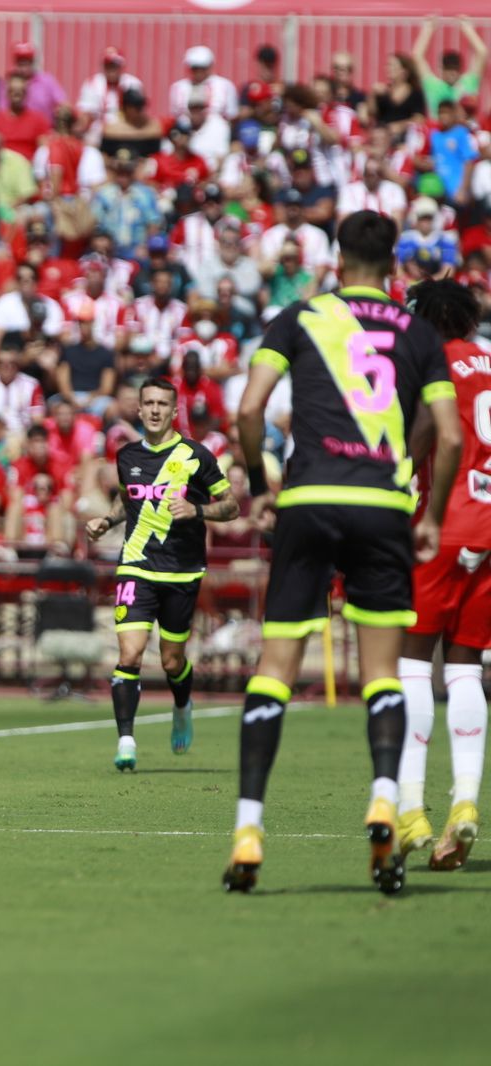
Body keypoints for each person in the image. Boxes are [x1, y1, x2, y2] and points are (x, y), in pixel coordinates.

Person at [224, 211, 463, 894]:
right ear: (394, 263)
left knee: (275, 669)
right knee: (382, 673)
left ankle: (248, 829)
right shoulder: (418, 333)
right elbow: (448, 436)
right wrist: (430, 516)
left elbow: (249, 410)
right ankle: (385, 800)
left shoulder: (300, 317)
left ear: (338, 257)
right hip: (382, 505)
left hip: (308, 498)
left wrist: (259, 486)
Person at [84, 377, 237, 771]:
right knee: (130, 653)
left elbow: (231, 506)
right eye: (148, 403)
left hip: (182, 572)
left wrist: (197, 510)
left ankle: (182, 704)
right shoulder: (126, 456)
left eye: (162, 404)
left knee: (171, 662)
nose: (154, 410)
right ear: (139, 409)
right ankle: (126, 741)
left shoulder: (195, 456)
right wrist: (106, 521)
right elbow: (127, 501)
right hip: (135, 565)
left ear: (174, 410)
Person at [394, 279, 488, 871]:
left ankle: (411, 810)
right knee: (464, 667)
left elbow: (432, 430)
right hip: (489, 527)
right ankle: (466, 804)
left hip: (445, 524)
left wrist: (397, 472)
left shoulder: (438, 362)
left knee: (409, 661)